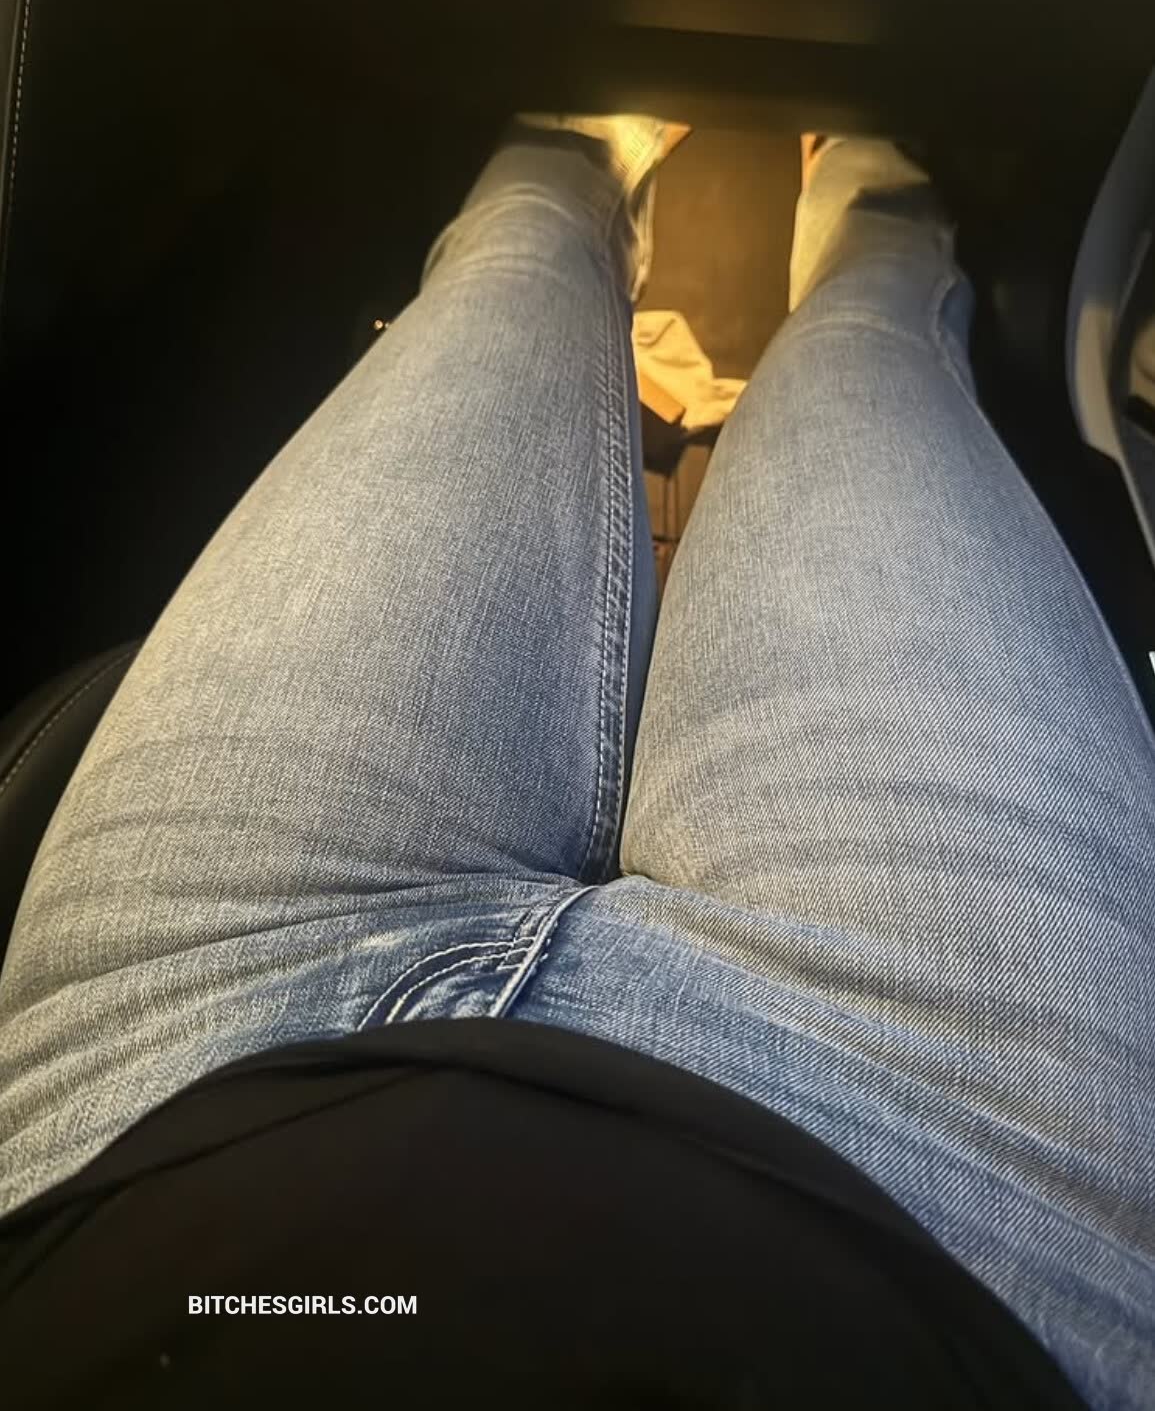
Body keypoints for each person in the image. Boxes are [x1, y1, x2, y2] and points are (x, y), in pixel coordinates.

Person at [0, 121, 1151, 1410]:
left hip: (163, 1109)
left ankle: (590, 151)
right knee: (868, 338)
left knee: (509, 261)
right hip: (955, 1192)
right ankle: (845, 185)